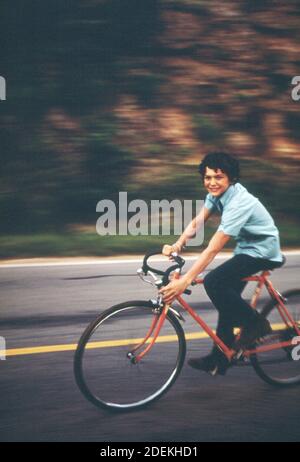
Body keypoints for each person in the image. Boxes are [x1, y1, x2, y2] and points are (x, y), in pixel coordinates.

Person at [160, 152, 284, 376]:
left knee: (214, 281)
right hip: (246, 248)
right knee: (227, 300)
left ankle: (257, 324)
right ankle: (220, 358)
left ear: (231, 178)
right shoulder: (216, 195)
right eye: (207, 177)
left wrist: (185, 280)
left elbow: (213, 248)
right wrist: (178, 244)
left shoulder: (239, 203)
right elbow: (199, 221)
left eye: (218, 177)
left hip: (264, 251)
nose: (212, 182)